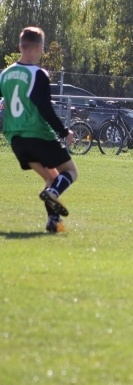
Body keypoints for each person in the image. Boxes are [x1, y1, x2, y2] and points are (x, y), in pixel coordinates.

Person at [0, 26, 78, 233]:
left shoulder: (5, 75)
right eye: (42, 47)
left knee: (51, 177)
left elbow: (7, 103)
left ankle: (53, 222)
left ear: (20, 46)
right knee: (70, 172)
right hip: (38, 134)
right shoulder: (38, 74)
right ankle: (53, 193)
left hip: (16, 139)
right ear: (37, 47)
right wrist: (64, 132)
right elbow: (44, 107)